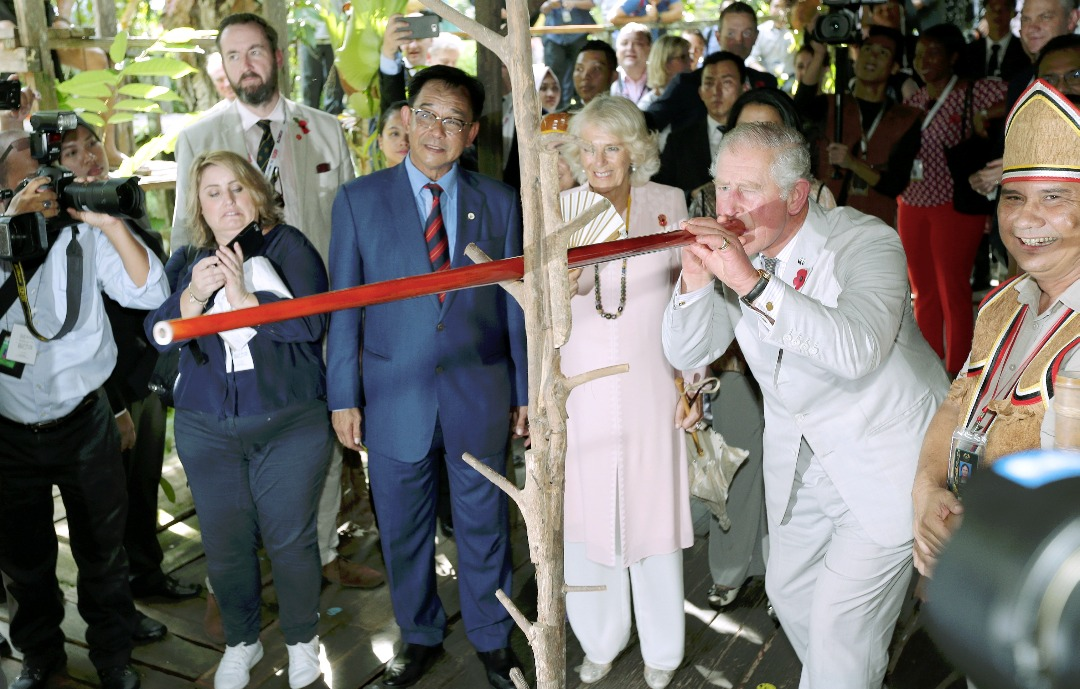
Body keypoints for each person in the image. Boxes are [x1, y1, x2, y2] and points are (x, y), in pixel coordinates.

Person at [662, 122, 949, 689]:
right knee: (789, 595)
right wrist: (696, 278)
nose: (728, 206)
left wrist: (747, 280)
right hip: (798, 462)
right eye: (721, 189)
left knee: (842, 632)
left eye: (747, 191)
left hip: (885, 456)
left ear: (797, 196)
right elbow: (688, 349)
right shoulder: (737, 256)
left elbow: (858, 348)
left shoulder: (866, 242)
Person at [326, 65, 528, 689]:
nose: (439, 129)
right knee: (403, 527)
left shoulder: (499, 202)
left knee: (484, 522)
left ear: (471, 135)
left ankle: (494, 640)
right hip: (392, 395)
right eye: (430, 113)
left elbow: (514, 306)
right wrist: (343, 396)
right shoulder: (359, 200)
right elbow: (343, 304)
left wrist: (523, 393)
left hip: (479, 390)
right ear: (408, 119)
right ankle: (418, 636)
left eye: (456, 121)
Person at [171, 13, 378, 595]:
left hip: (314, 312)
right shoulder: (197, 140)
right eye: (233, 55)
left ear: (278, 55)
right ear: (222, 66)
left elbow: (349, 227)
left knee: (323, 425)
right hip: (230, 323)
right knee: (235, 444)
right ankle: (236, 582)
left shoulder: (325, 130)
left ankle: (325, 553)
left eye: (255, 52)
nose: (246, 65)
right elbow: (185, 241)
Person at [145, 150, 331, 689]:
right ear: (199, 207)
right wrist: (194, 296)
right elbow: (156, 333)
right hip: (207, 426)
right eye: (212, 193)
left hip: (288, 420)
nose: (226, 202)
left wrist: (248, 298)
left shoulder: (288, 246)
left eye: (236, 189)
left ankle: (302, 639)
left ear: (255, 193)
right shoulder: (187, 259)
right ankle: (242, 642)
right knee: (224, 543)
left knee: (290, 540)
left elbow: (312, 325)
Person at [0, 127, 169, 689]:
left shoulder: (84, 233)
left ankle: (113, 655)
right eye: (32, 164)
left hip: (82, 419)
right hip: (8, 429)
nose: (47, 177)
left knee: (103, 551)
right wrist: (10, 228)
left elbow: (149, 293)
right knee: (25, 561)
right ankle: (41, 654)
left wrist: (109, 223)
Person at [912, 80, 1080, 580]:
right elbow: (959, 396)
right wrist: (926, 491)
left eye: (1053, 197)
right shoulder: (1003, 302)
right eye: (1012, 197)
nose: (1026, 218)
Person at [558, 95, 699, 689]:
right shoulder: (560, 206)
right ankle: (601, 638)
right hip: (583, 384)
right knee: (590, 514)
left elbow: (691, 296)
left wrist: (691, 382)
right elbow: (545, 315)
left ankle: (663, 650)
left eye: (611, 147)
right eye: (587, 148)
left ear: (635, 150)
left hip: (651, 380)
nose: (598, 160)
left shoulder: (669, 203)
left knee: (653, 511)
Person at [58, 122, 202, 620]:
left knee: (140, 487)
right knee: (109, 501)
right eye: (72, 152)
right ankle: (120, 606)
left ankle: (148, 573)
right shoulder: (70, 232)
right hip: (109, 388)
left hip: (146, 375)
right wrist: (114, 405)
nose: (88, 156)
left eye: (91, 143)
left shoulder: (118, 203)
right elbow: (82, 333)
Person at [899, 23, 1007, 375]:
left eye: (933, 53)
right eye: (919, 54)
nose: (924, 60)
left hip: (955, 204)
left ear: (953, 56)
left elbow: (1019, 96)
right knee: (924, 292)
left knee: (954, 291)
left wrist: (985, 117)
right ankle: (930, 369)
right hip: (911, 203)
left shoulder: (976, 90)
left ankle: (959, 372)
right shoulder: (912, 100)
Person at [795, 26, 923, 228]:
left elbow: (895, 184)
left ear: (894, 67)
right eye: (867, 49)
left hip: (874, 225)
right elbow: (800, 105)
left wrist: (852, 163)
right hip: (824, 219)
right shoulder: (832, 104)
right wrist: (820, 53)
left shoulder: (906, 118)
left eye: (883, 52)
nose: (872, 56)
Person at [645, 2, 777, 133]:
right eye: (731, 33)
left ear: (756, 37)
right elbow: (649, 122)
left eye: (746, 33)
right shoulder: (686, 83)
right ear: (718, 37)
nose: (739, 40)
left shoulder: (766, 83)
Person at [655, 52, 746, 199]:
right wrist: (691, 196)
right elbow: (659, 191)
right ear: (700, 92)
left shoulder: (756, 137)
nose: (717, 92)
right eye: (709, 83)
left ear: (744, 88)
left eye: (726, 82)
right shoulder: (678, 141)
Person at [539, 0, 596, 109]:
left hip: (578, 35)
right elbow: (542, 9)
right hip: (554, 37)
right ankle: (556, 109)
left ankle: (583, 106)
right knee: (554, 73)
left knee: (581, 71)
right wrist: (550, 4)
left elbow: (593, 3)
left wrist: (574, 3)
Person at [960, 0, 1028, 81]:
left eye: (1004, 8)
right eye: (992, 7)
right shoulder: (969, 51)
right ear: (985, 13)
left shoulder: (1025, 52)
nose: (997, 13)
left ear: (1014, 13)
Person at [637, 34, 692, 111]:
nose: (690, 61)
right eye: (683, 57)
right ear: (665, 63)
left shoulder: (692, 96)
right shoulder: (648, 106)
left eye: (689, 56)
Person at [610, 23, 652, 106]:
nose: (630, 48)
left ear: (649, 48)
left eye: (637, 43)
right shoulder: (609, 79)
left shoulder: (660, 78)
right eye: (624, 43)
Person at [573, 39, 619, 108]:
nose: (585, 76)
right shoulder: (562, 117)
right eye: (579, 69)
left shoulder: (624, 116)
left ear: (613, 76)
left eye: (596, 69)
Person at [376, 100, 410, 169]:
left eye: (411, 133)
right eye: (395, 134)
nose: (404, 142)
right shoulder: (370, 180)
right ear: (380, 141)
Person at [609, 0, 683, 28]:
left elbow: (678, 13)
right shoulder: (633, 1)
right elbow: (612, 18)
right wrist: (644, 19)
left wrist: (658, 16)